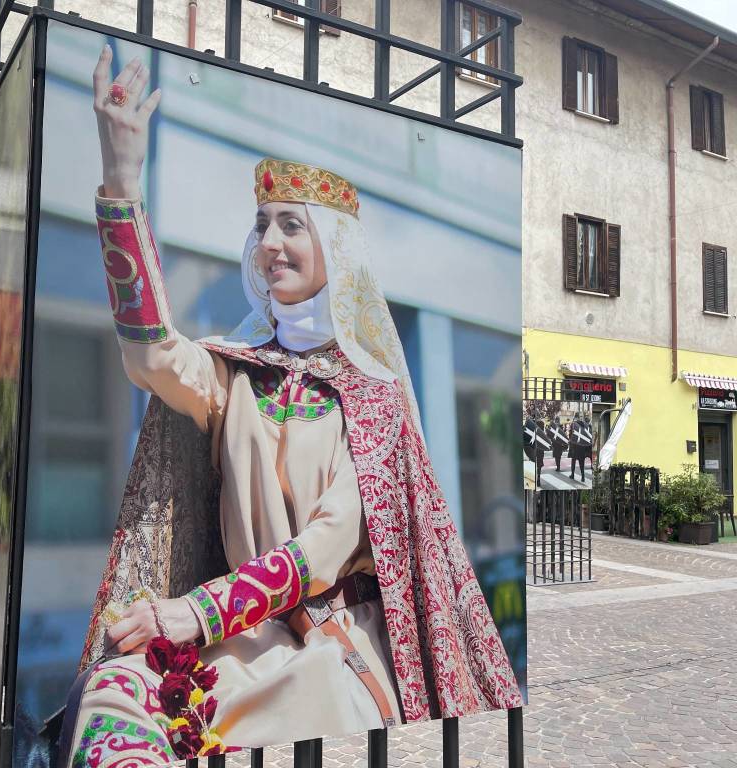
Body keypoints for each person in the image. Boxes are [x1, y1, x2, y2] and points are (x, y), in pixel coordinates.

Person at [62, 48, 522, 767]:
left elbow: (322, 551)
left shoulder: (375, 397)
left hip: (331, 653)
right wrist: (122, 179)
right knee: (112, 699)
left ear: (334, 248)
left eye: (291, 225)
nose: (269, 244)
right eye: (262, 226)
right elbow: (151, 353)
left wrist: (194, 611)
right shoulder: (233, 376)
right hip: (234, 643)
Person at [569, 413, 592, 482]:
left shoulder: (573, 424)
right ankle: (583, 477)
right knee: (581, 462)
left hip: (575, 446)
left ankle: (572, 474)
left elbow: (571, 435)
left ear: (575, 417)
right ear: (580, 417)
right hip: (582, 446)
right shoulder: (585, 425)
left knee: (573, 461)